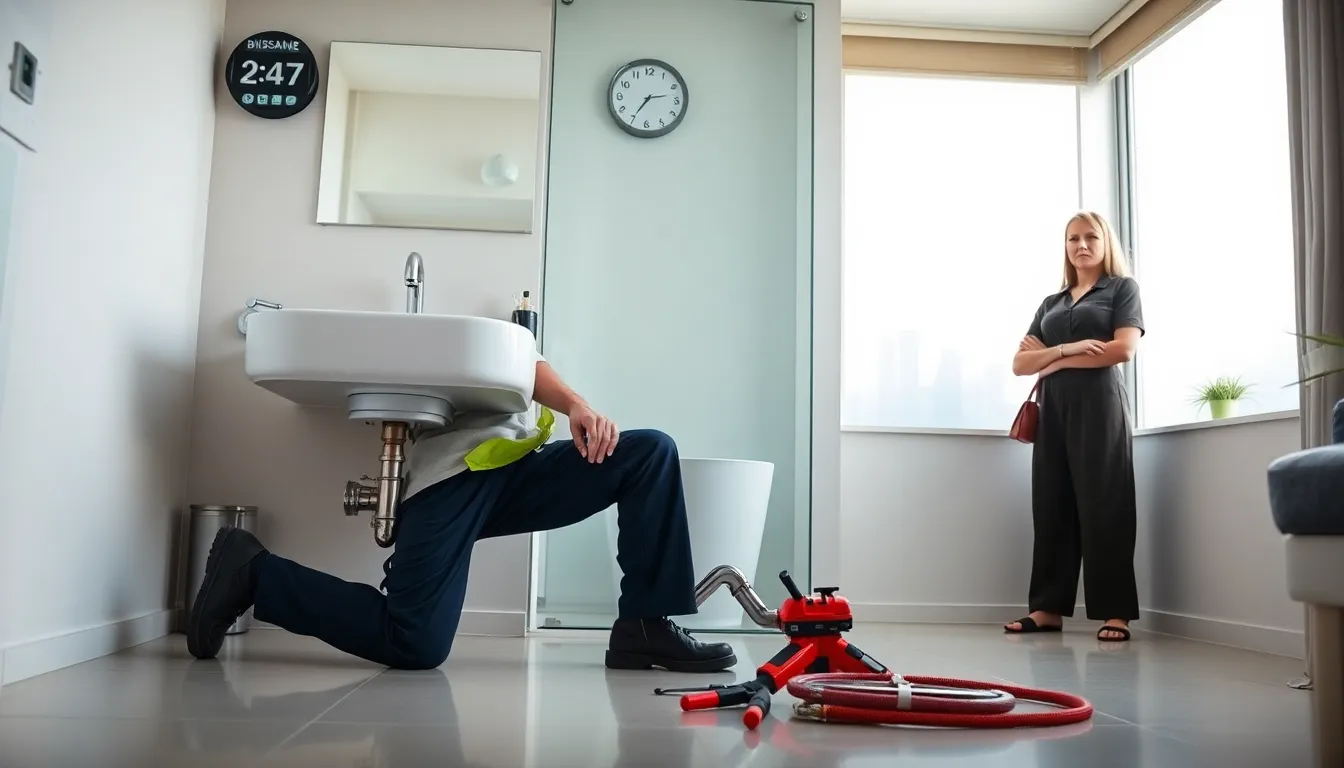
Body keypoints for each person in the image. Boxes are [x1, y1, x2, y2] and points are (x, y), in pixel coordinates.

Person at [186, 348, 737, 672]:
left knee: (649, 451)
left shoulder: (504, 341)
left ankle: (644, 626)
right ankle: (254, 572)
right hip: (450, 476)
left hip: (519, 468)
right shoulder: (437, 344)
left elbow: (527, 360)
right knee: (414, 642)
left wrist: (577, 405)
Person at [1004, 211, 1144, 643]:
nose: (1081, 245)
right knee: (1051, 505)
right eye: (1073, 238)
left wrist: (1050, 359)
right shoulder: (1052, 303)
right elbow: (1020, 364)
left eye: (1090, 237)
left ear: (1105, 243)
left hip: (1100, 407)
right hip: (1053, 413)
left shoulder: (1121, 289)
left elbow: (1122, 350)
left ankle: (1115, 611)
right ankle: (1047, 609)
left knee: (1106, 505)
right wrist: (1067, 349)